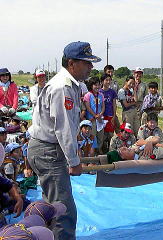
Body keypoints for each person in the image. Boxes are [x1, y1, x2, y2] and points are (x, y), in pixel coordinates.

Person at [28, 41, 101, 239]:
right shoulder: (62, 87)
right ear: (71, 63)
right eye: (86, 63)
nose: (91, 67)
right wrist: (74, 161)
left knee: (51, 207)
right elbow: (64, 129)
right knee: (63, 211)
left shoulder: (71, 85)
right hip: (48, 151)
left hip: (47, 149)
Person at [99, 73, 117, 152]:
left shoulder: (112, 92)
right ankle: (101, 151)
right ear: (102, 81)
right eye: (106, 80)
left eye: (110, 80)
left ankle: (110, 150)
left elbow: (114, 104)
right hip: (101, 116)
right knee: (102, 135)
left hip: (110, 115)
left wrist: (113, 115)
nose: (108, 82)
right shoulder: (99, 91)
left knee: (110, 135)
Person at [103, 64, 121, 133]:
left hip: (112, 109)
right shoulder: (101, 82)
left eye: (112, 72)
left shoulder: (115, 83)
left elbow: (118, 95)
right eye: (109, 72)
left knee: (118, 128)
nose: (111, 74)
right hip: (103, 111)